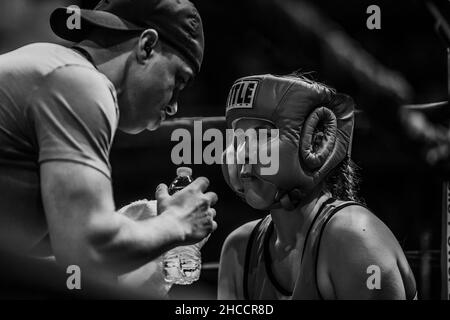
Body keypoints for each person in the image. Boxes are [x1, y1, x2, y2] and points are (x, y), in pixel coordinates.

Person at [0, 0, 217, 291]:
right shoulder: (78, 84)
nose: (175, 106)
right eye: (178, 80)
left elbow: (44, 244)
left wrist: (134, 229)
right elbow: (86, 252)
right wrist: (177, 223)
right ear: (147, 46)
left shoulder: (49, 64)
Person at [218, 73, 417, 299]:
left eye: (262, 135)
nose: (243, 153)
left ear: (315, 145)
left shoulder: (356, 240)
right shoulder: (239, 249)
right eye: (238, 138)